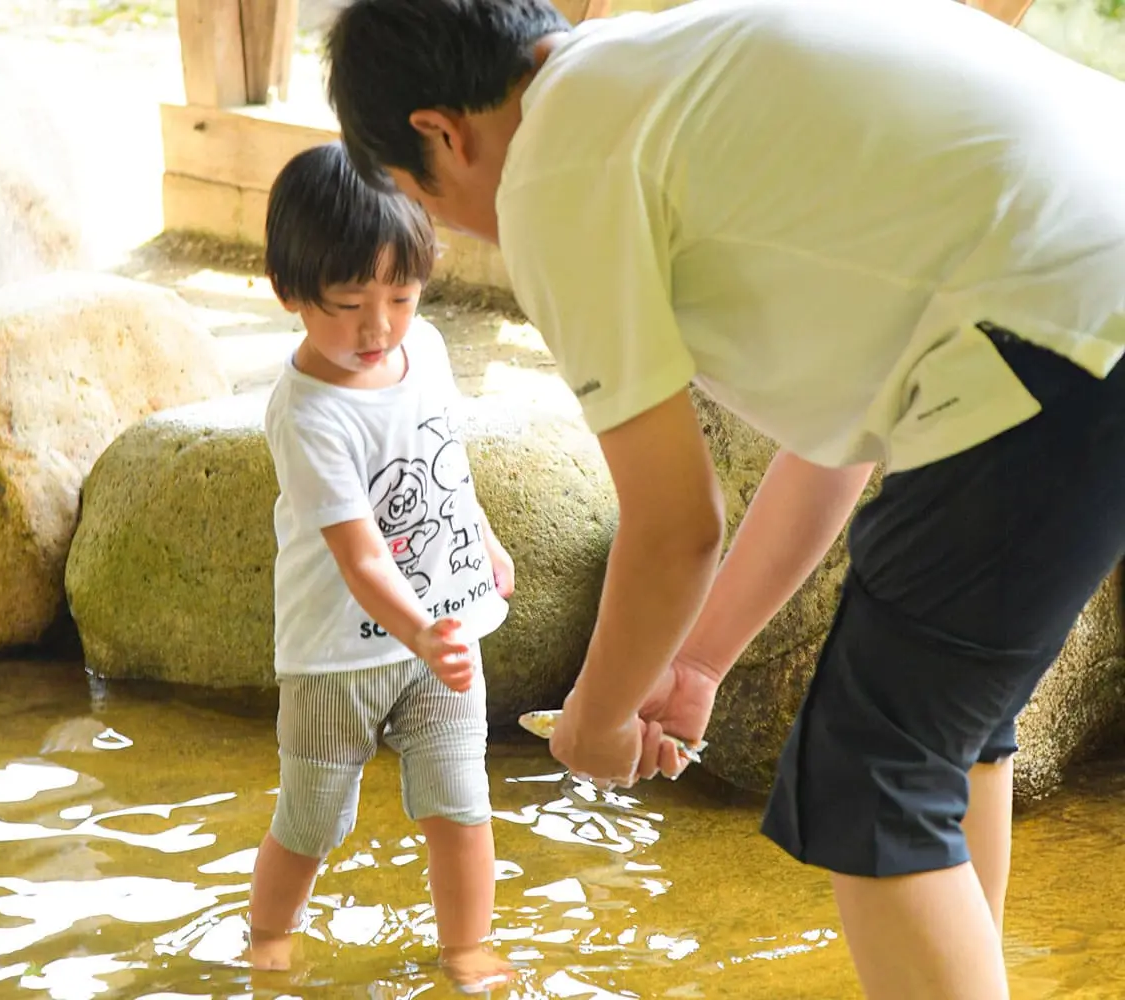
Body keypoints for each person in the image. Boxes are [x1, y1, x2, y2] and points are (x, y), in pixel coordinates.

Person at [323, 0, 1125, 996]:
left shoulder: (555, 164)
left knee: (865, 773)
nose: (457, 228)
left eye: (425, 200)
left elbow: (673, 526)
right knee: (940, 730)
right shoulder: (660, 77)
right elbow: (828, 444)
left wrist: (598, 716)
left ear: (440, 133)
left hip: (1058, 308)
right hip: (1078, 288)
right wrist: (697, 659)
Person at [252, 140, 516, 992]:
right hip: (337, 657)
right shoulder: (308, 414)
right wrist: (419, 628)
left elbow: (443, 465)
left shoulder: (426, 350)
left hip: (441, 644)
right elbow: (360, 552)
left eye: (400, 296)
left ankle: (466, 949)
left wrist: (481, 540)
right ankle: (269, 937)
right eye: (348, 303)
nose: (378, 327)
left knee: (461, 802)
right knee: (312, 821)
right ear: (290, 293)